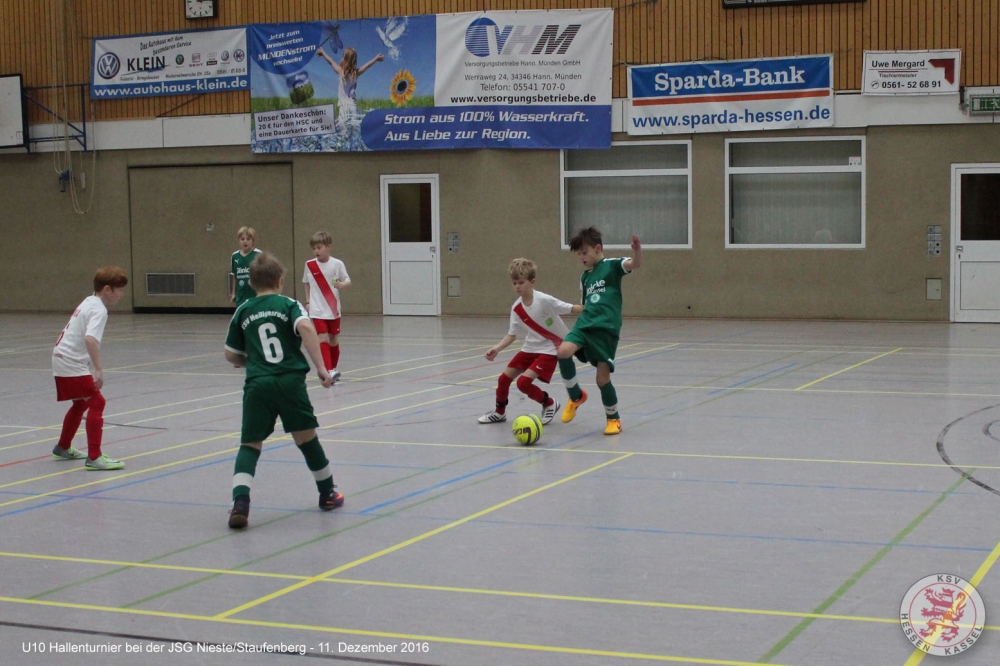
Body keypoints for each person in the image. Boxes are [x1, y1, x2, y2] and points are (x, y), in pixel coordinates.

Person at [224, 252, 343, 529]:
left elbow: (230, 354)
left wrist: (253, 360)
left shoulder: (243, 310)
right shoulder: (289, 304)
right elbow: (307, 329)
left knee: (250, 444)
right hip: (290, 383)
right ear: (280, 280)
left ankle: (240, 503)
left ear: (251, 283)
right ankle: (327, 493)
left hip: (258, 384)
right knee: (306, 439)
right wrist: (322, 369)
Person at [557, 227, 642, 436]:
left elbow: (634, 264)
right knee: (563, 351)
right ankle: (576, 396)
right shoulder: (585, 277)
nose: (582, 257)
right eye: (579, 254)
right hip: (585, 324)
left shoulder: (612, 266)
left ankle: (613, 419)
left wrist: (637, 251)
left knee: (602, 379)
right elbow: (585, 303)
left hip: (606, 329)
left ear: (597, 248)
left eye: (584, 252)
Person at [479, 259, 583, 426]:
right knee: (503, 379)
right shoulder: (516, 308)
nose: (517, 287)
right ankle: (499, 413)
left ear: (532, 282)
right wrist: (496, 349)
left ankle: (549, 403)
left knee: (523, 383)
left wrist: (593, 308)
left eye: (521, 282)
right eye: (514, 283)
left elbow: (570, 308)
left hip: (551, 348)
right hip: (530, 347)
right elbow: (511, 335)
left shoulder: (544, 300)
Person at [51, 266, 129, 470]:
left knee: (80, 404)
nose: (122, 295)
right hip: (70, 361)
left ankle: (63, 447)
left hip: (61, 358)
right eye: (120, 290)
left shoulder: (89, 300)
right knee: (97, 402)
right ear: (107, 289)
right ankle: (94, 457)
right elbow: (90, 339)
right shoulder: (99, 310)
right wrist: (98, 369)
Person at [302, 231, 350, 383]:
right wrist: (308, 302)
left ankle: (333, 368)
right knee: (322, 336)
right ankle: (328, 370)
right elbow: (306, 283)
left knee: (333, 338)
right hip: (317, 309)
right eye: (314, 248)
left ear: (328, 247)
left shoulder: (337, 264)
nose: (316, 251)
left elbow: (347, 280)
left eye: (319, 247)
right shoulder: (309, 265)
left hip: (333, 307)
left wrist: (342, 284)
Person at [316, 46, 384, 135]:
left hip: (343, 107)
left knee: (343, 132)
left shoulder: (340, 72)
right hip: (353, 106)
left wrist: (323, 53)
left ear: (344, 59)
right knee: (354, 132)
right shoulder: (356, 73)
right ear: (354, 61)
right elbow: (367, 66)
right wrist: (376, 59)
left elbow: (331, 62)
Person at [230, 226, 262, 306]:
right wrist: (233, 293)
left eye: (248, 239)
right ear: (239, 241)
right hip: (241, 295)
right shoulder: (235, 256)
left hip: (255, 294)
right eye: (242, 239)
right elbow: (234, 276)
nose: (245, 241)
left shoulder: (258, 254)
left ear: (253, 241)